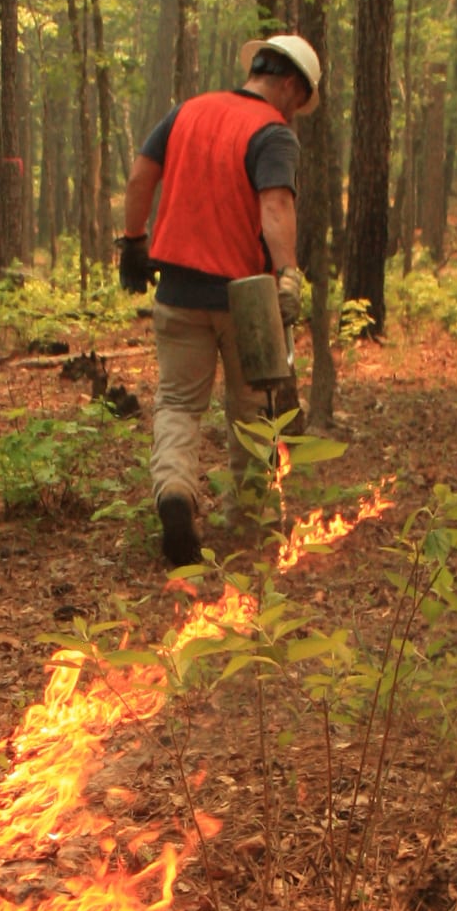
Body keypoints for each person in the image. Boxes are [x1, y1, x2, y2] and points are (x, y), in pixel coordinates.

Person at [118, 34, 320, 566]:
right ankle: (252, 526)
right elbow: (275, 203)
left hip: (178, 290)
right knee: (253, 410)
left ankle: (176, 496)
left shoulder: (187, 112)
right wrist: (287, 274)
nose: (295, 114)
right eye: (298, 103)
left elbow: (141, 174)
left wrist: (133, 241)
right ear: (290, 86)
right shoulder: (272, 133)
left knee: (179, 404)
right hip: (246, 297)